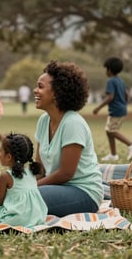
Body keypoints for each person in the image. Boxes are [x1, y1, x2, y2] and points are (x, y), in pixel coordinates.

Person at [34, 60, 103, 217]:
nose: (35, 91)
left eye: (40, 86)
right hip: (54, 187)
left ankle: (5, 209)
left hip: (82, 193)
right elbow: (39, 168)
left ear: (57, 93)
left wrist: (32, 187)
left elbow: (66, 173)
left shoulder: (73, 123)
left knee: (31, 195)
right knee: (0, 185)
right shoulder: (43, 121)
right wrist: (22, 182)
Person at [0, 133, 47, 228]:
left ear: (8, 157)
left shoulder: (6, 176)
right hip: (36, 217)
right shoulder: (32, 171)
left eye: (1, 152)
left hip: (16, 220)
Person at [93, 57, 132, 161]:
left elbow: (110, 97)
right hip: (120, 109)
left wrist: (98, 108)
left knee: (112, 131)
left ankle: (131, 144)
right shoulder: (120, 81)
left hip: (116, 110)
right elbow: (126, 94)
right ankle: (113, 155)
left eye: (106, 69)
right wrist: (123, 104)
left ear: (109, 70)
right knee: (109, 131)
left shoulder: (111, 81)